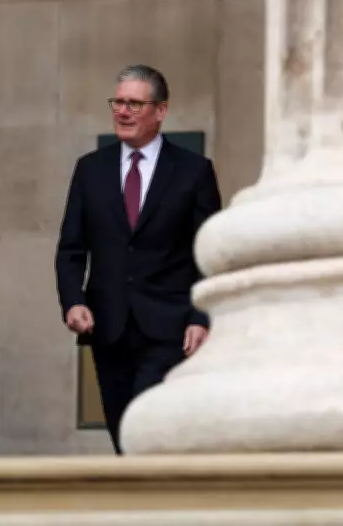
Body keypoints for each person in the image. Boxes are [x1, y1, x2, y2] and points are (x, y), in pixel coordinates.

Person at [54, 65, 222, 454]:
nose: (122, 111)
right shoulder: (90, 170)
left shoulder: (194, 171)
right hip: (108, 327)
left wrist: (201, 317)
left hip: (169, 328)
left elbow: (209, 252)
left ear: (160, 110)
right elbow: (71, 248)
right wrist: (73, 301)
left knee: (146, 430)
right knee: (122, 435)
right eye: (118, 102)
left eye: (134, 104)